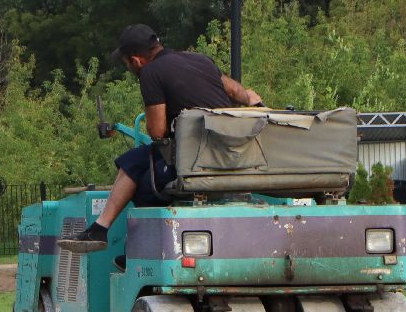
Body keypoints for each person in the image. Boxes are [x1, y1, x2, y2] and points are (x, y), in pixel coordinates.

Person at [59, 24, 262, 253]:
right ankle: (102, 230)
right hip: (235, 155)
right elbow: (235, 91)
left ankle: (131, 247)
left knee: (141, 181)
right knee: (133, 161)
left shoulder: (151, 73)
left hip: (194, 162)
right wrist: (249, 98)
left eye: (126, 64)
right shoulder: (201, 60)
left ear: (136, 60)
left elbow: (157, 132)